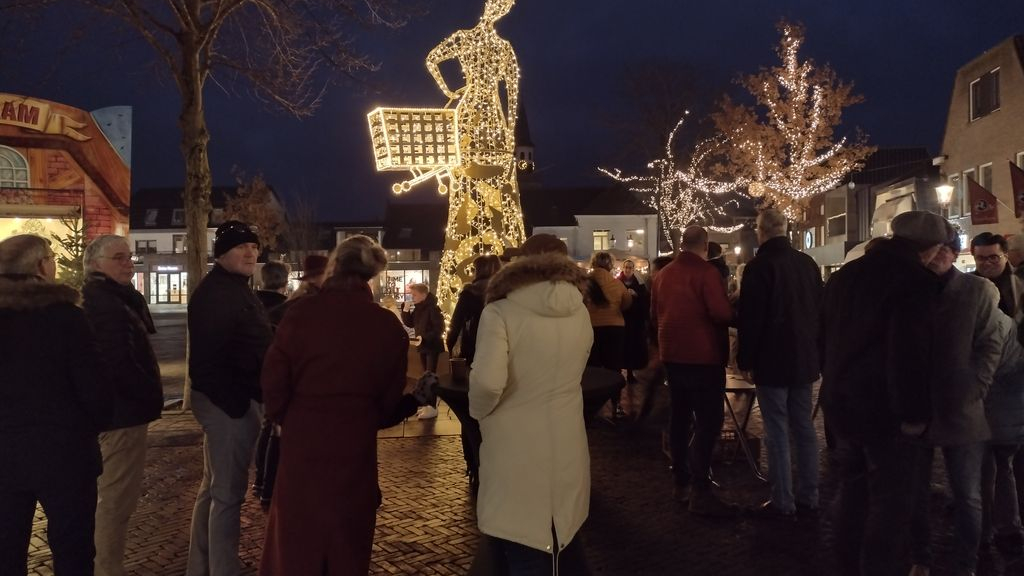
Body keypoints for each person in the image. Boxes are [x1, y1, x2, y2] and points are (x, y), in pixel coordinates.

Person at [259, 235, 429, 576]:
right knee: (346, 538)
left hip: (302, 439)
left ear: (334, 266)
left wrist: (283, 418)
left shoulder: (300, 315)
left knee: (296, 537)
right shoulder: (386, 327)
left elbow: (273, 380)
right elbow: (386, 403)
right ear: (373, 274)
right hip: (355, 442)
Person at [820, 211, 948, 576]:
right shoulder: (914, 282)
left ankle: (847, 565)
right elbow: (909, 354)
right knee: (890, 504)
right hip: (884, 409)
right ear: (930, 248)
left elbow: (824, 337)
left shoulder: (846, 276)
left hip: (842, 402)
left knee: (853, 492)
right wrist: (914, 414)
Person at [469, 233, 593, 575]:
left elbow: (486, 384)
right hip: (567, 439)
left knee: (521, 538)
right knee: (560, 537)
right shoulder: (579, 310)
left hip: (516, 448)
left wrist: (480, 413)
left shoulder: (500, 311)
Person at [0, 234, 111, 575]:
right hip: (65, 455)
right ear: (40, 266)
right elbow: (94, 389)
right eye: (51, 257)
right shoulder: (65, 317)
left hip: (4, 456)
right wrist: (93, 424)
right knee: (73, 550)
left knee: (6, 552)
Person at [907, 234, 1002, 576]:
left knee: (967, 494)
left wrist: (976, 387)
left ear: (952, 252)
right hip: (918, 406)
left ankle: (966, 564)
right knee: (915, 493)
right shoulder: (910, 290)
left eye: (943, 250)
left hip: (962, 406)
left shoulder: (977, 291)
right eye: (930, 251)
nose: (935, 257)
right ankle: (921, 557)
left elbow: (990, 344)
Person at [186, 220, 273, 576]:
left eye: (254, 247)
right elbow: (207, 363)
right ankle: (223, 569)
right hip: (228, 404)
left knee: (213, 489)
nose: (251, 252)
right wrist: (237, 406)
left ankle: (201, 565)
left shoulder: (235, 288)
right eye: (241, 247)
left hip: (232, 400)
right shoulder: (218, 294)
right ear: (222, 254)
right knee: (227, 495)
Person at [81, 235, 163, 576]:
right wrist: (144, 394)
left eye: (129, 256)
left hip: (119, 414)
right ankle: (105, 568)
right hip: (122, 417)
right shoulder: (106, 303)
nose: (129, 263)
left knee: (113, 500)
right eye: (119, 258)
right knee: (115, 502)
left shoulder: (110, 298)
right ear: (96, 264)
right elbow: (116, 363)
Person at [737, 209, 823, 519]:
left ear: (761, 231)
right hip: (804, 358)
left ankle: (783, 499)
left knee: (776, 429)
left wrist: (745, 358)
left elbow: (752, 318)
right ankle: (809, 494)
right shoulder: (807, 264)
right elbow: (819, 311)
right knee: (804, 427)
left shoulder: (759, 267)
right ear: (785, 230)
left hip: (772, 360)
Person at [650, 226, 736, 516]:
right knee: (709, 421)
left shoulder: (662, 275)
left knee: (680, 417)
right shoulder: (706, 274)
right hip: (704, 356)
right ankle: (701, 485)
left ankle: (680, 480)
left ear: (682, 245)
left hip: (672, 354)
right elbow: (721, 314)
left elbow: (654, 315)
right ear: (705, 245)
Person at [446, 254, 502, 488]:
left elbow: (456, 325)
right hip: (501, 351)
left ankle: (473, 462)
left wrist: (452, 350)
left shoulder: (469, 293)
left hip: (473, 353)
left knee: (470, 410)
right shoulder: (505, 291)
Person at [586, 251, 632, 418]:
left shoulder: (585, 284)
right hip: (615, 328)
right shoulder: (617, 284)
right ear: (610, 265)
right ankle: (616, 404)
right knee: (614, 367)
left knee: (593, 366)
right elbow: (627, 304)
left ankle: (594, 405)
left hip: (591, 327)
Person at [447, 254, 502, 367]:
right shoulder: (505, 292)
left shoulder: (469, 293)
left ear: (478, 270)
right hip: (501, 344)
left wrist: (450, 344)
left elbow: (456, 322)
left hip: (473, 344)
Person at [402, 283, 445, 419]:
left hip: (431, 346)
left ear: (423, 294)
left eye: (414, 295)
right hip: (423, 346)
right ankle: (428, 405)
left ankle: (432, 407)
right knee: (426, 375)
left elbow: (439, 328)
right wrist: (405, 311)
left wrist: (424, 337)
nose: (412, 297)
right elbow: (410, 323)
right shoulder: (419, 308)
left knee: (430, 375)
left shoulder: (432, 308)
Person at [267, 254, 327, 327]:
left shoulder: (320, 298)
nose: (331, 277)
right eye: (328, 273)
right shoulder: (307, 303)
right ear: (312, 278)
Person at [618, 259, 649, 387]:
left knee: (632, 346)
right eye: (626, 267)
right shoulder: (617, 283)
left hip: (635, 321)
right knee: (622, 346)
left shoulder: (639, 284)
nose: (628, 270)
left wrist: (636, 295)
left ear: (633, 269)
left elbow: (645, 300)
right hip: (622, 319)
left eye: (630, 267)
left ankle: (631, 372)